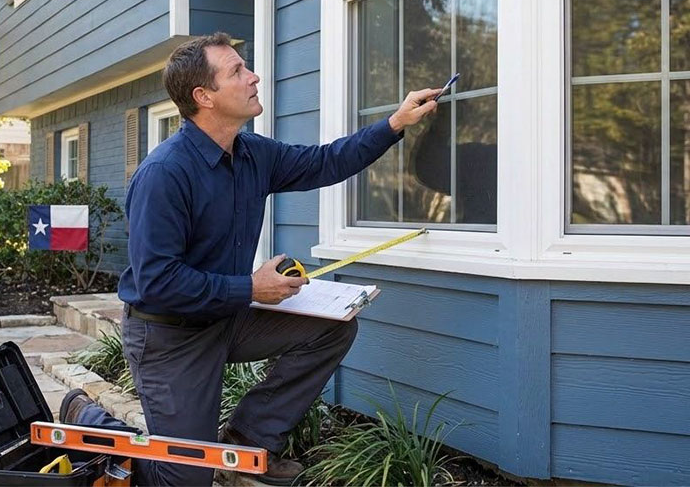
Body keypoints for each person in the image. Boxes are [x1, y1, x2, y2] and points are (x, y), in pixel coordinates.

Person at [60, 33, 442, 486]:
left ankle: (247, 439)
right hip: (169, 336)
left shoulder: (252, 153)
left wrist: (395, 122)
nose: (253, 76)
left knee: (331, 327)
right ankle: (91, 419)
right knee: (184, 481)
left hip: (226, 317)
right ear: (205, 97)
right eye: (237, 71)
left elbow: (326, 162)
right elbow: (159, 281)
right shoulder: (164, 175)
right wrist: (251, 289)